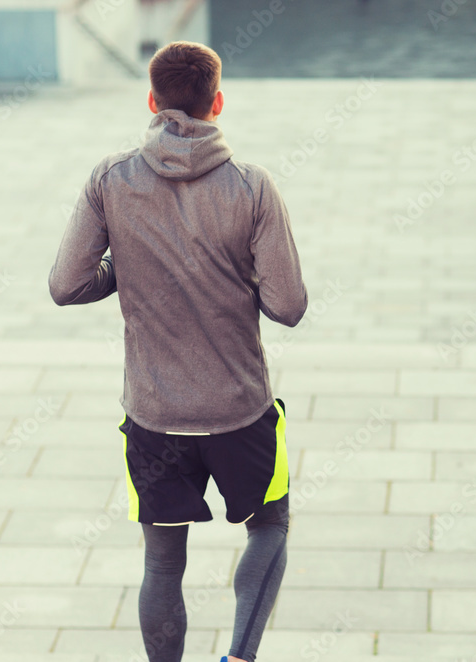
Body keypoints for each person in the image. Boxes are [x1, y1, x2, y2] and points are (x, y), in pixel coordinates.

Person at [48, 41, 307, 662]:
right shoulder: (252, 187)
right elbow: (288, 306)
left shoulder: (110, 179)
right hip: (242, 413)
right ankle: (239, 658)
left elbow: (67, 284)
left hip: (155, 417)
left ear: (152, 101)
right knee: (269, 529)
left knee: (162, 563)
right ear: (217, 103)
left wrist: (128, 269)